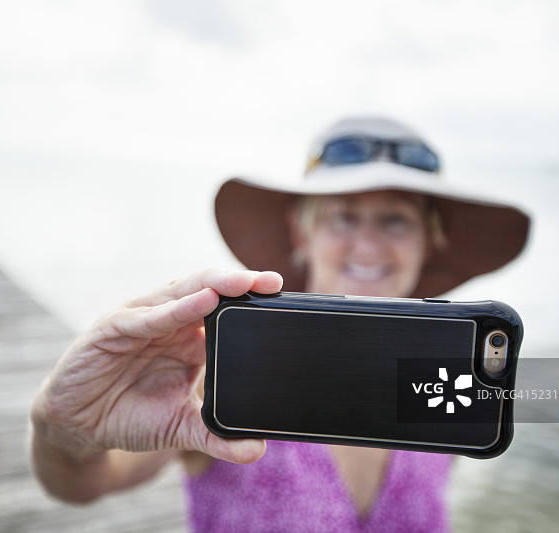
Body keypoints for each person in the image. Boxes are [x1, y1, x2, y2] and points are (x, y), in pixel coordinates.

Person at [30, 117, 531, 531]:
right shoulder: (227, 364)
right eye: (343, 216)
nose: (367, 244)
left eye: (395, 219)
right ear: (301, 232)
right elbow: (87, 484)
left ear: (429, 240)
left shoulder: (448, 383)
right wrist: (63, 430)